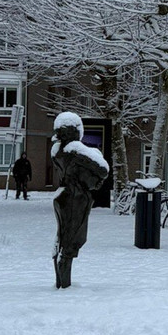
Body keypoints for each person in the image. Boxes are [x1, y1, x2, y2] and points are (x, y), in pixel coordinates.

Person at [51, 112, 110, 289]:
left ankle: (61, 281)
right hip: (75, 198)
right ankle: (65, 283)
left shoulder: (56, 150)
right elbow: (103, 169)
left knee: (62, 238)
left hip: (62, 195)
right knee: (71, 241)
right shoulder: (75, 149)